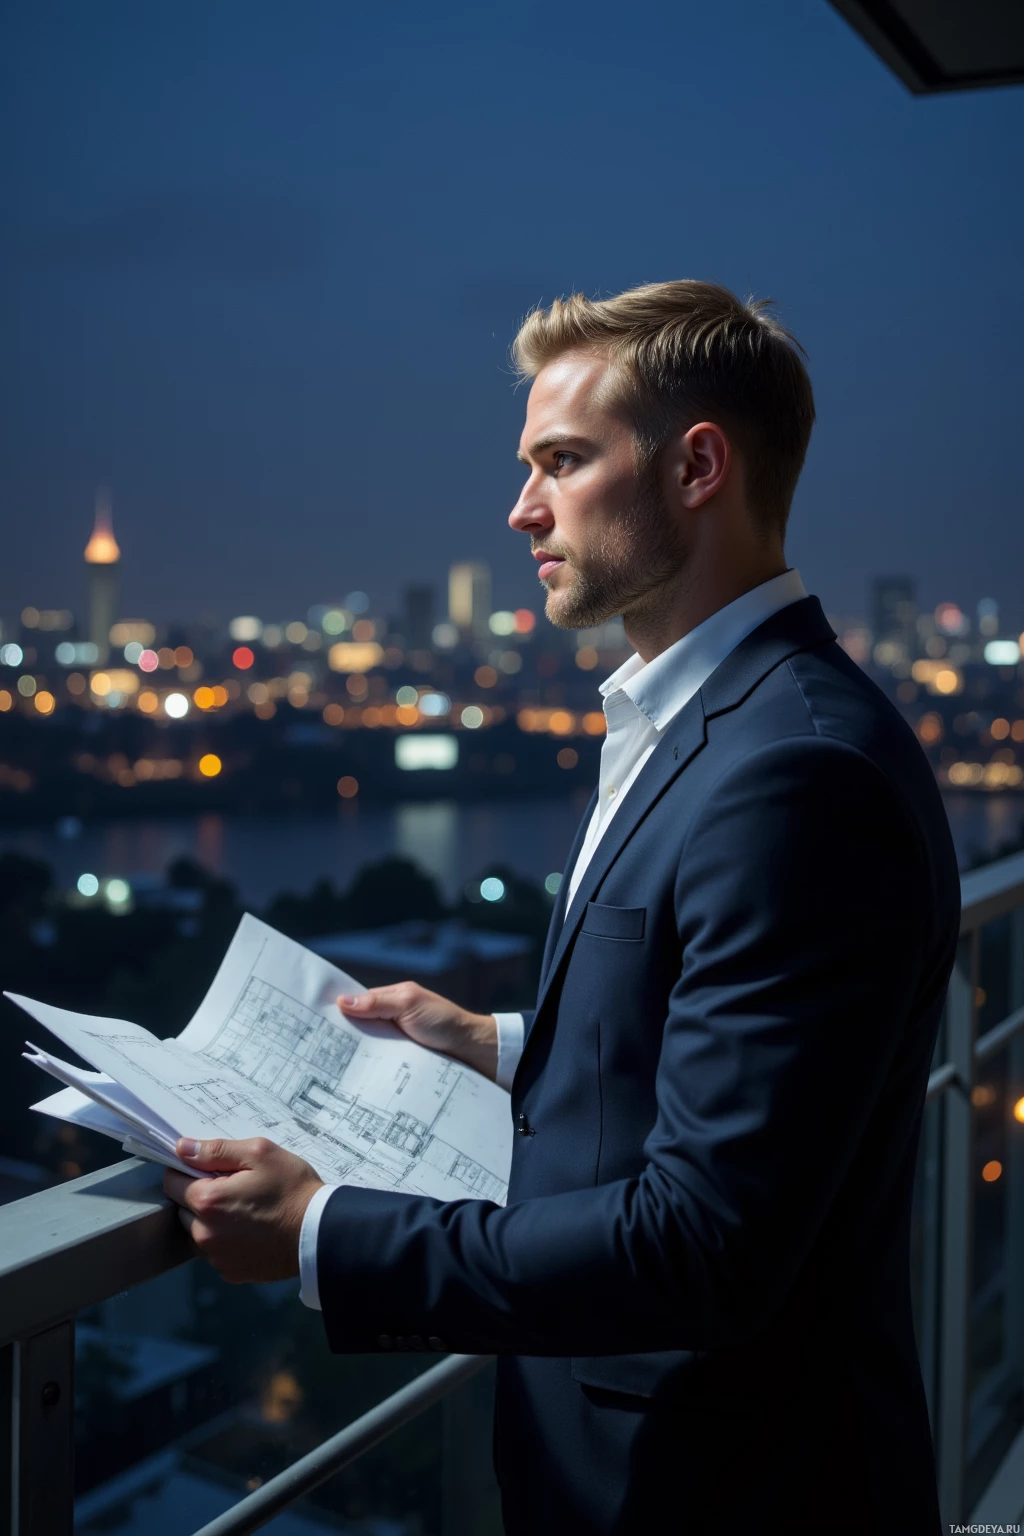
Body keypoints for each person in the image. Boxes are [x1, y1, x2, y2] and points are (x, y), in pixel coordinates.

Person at [163, 280, 960, 1534]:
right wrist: (499, 1043)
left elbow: (703, 1243)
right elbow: (750, 1057)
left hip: (724, 1492)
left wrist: (324, 1231)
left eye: (563, 461)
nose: (520, 507)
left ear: (698, 467)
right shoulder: (710, 720)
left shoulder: (795, 771)